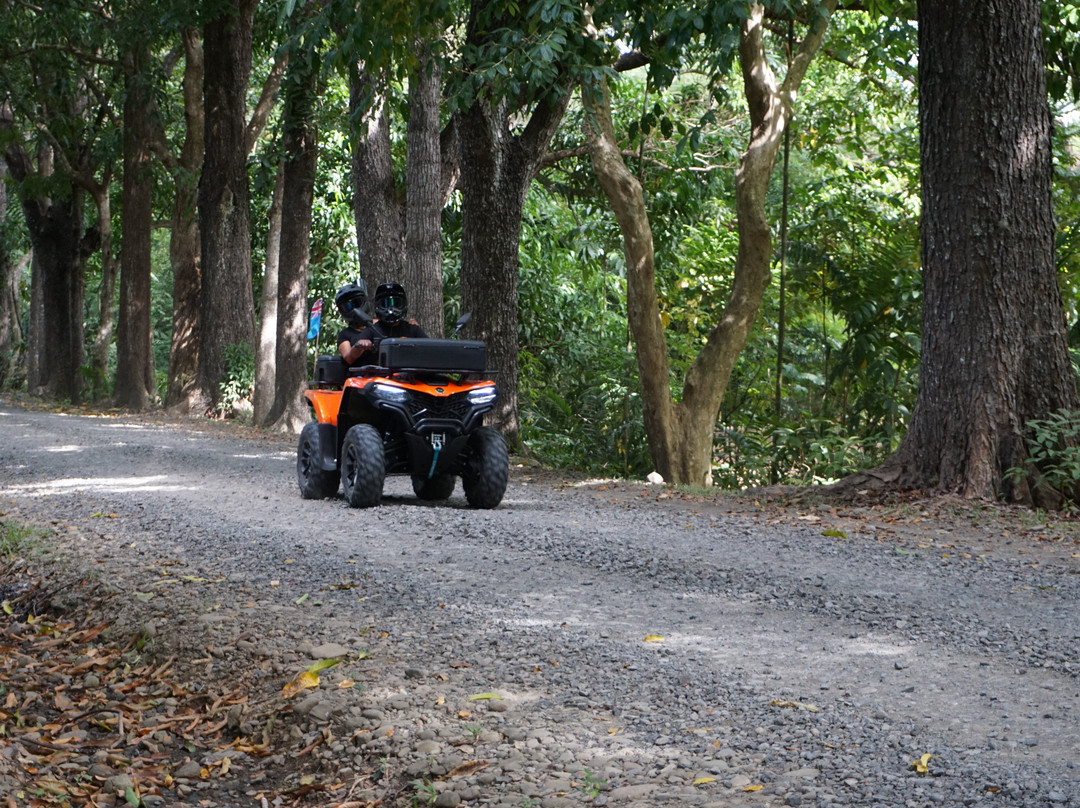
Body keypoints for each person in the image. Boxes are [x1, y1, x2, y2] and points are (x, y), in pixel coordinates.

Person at [355, 283, 428, 346]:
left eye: (396, 303)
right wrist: (361, 345)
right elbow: (352, 353)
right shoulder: (372, 330)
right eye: (386, 304)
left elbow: (430, 347)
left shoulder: (412, 329)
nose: (391, 309)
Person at [335, 280, 375, 366]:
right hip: (359, 376)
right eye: (347, 307)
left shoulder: (377, 325)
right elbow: (348, 357)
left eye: (356, 303)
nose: (354, 310)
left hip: (385, 375)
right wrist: (358, 347)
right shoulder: (344, 334)